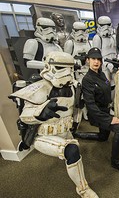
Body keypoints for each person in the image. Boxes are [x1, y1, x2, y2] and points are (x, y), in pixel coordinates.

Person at [9, 51, 98, 198]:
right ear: (48, 67)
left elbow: (75, 108)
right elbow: (24, 117)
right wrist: (40, 112)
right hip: (44, 134)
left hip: (66, 130)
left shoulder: (74, 86)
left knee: (73, 150)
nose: (67, 73)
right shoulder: (41, 87)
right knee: (72, 150)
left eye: (70, 69)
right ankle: (83, 190)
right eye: (60, 67)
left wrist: (76, 121)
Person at [81, 47, 119, 173]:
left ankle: (81, 134)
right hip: (97, 115)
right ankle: (115, 161)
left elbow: (107, 91)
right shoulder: (87, 80)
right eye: (93, 59)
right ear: (88, 60)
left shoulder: (102, 74)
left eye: (99, 59)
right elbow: (91, 107)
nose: (96, 62)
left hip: (105, 110)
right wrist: (110, 119)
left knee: (103, 137)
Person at [92, 16, 119, 95]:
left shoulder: (113, 37)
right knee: (106, 85)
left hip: (114, 64)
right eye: (103, 25)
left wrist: (117, 61)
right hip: (103, 66)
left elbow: (116, 51)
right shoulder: (97, 38)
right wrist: (106, 64)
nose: (106, 28)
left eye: (108, 25)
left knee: (116, 85)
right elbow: (96, 55)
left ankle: (114, 104)